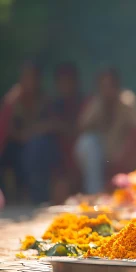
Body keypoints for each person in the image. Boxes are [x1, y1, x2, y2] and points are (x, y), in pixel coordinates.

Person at [75, 68, 136, 194]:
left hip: (127, 159)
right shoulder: (97, 103)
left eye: (110, 86)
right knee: (86, 142)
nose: (107, 90)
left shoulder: (127, 102)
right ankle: (95, 193)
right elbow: (82, 127)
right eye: (103, 86)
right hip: (104, 160)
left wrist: (122, 159)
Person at [0, 62, 60, 204]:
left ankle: (38, 197)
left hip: (39, 150)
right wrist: (22, 135)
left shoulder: (46, 99)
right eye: (27, 77)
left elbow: (55, 125)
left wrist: (33, 131)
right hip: (15, 148)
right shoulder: (13, 101)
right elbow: (7, 130)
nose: (30, 81)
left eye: (33, 77)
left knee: (37, 146)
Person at [50, 62, 85, 203]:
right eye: (62, 82)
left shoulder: (85, 103)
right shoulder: (54, 106)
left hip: (80, 163)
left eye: (68, 81)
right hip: (61, 166)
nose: (66, 86)